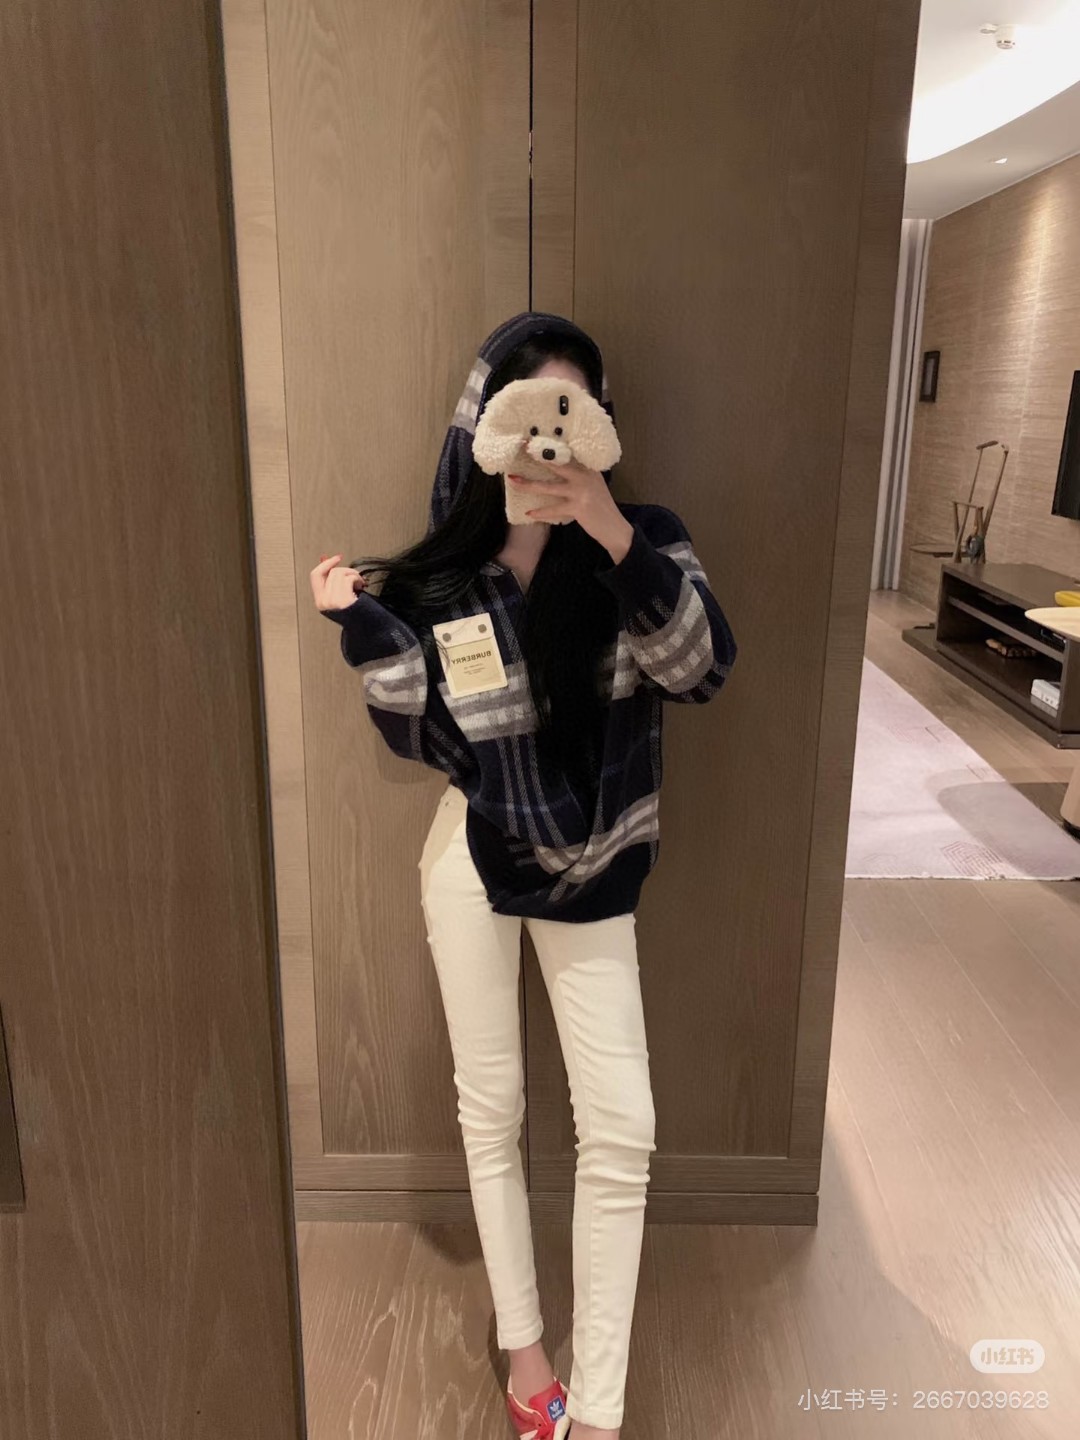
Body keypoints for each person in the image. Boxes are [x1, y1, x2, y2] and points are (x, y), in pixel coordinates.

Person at [310, 311, 737, 1440]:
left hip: (599, 860)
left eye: (571, 414)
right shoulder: (451, 576)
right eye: (524, 416)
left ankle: (597, 1410)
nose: (548, 445)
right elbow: (418, 737)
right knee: (489, 1107)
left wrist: (608, 531)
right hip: (473, 851)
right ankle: (526, 1347)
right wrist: (363, 626)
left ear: (599, 427)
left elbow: (700, 668)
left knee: (623, 1128)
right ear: (482, 430)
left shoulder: (645, 538)